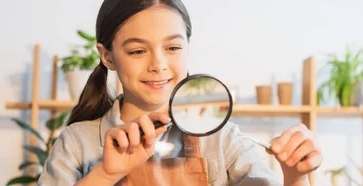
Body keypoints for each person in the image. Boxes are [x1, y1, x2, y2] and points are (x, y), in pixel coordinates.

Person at [38, 0, 322, 185]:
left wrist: (295, 176)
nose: (158, 65)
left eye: (172, 48)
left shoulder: (222, 139)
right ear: (108, 56)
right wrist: (107, 173)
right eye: (137, 51)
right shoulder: (77, 143)